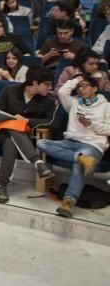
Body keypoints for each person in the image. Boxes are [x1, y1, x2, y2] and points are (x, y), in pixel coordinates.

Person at [37, 74, 110, 218]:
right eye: (79, 87)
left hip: (92, 144)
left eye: (85, 86)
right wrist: (78, 78)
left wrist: (91, 124)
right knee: (41, 143)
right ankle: (82, 158)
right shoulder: (74, 103)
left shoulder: (106, 106)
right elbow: (62, 91)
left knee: (79, 165)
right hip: (70, 142)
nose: (81, 89)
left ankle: (69, 202)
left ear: (95, 88)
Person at [0, 67, 57, 203]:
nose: (50, 87)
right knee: (13, 128)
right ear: (36, 83)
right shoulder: (10, 91)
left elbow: (52, 122)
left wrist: (27, 121)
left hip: (25, 138)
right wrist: (12, 120)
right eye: (47, 84)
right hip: (1, 132)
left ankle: (1, 185)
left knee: (11, 142)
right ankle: (37, 162)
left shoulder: (48, 101)